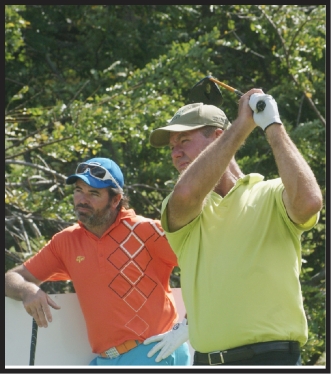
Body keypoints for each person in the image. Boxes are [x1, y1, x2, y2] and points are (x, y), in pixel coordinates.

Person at [147, 90, 323, 366]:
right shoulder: (182, 205)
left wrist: (273, 126)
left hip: (276, 360)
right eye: (171, 146)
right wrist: (243, 125)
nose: (175, 152)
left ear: (218, 137)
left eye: (184, 140)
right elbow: (186, 195)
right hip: (210, 363)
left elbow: (309, 202)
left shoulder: (272, 193)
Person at [5, 157, 190, 366]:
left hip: (155, 352)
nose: (82, 199)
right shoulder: (66, 242)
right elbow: (12, 277)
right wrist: (27, 290)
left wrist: (188, 325)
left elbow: (202, 264)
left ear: (115, 199)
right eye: (78, 190)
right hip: (104, 360)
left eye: (94, 193)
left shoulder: (147, 231)